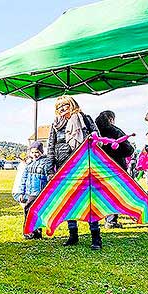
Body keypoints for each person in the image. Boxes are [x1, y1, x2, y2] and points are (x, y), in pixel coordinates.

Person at [47, 95, 103, 250]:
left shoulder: (84, 118)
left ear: (72, 104)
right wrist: (50, 168)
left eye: (65, 105)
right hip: (64, 166)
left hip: (84, 164)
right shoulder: (56, 125)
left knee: (89, 201)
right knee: (69, 201)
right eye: (59, 107)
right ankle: (73, 234)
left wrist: (92, 139)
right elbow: (50, 147)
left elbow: (98, 138)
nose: (62, 108)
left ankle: (96, 237)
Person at [95, 110, 134, 229]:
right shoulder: (115, 131)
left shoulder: (95, 130)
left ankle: (103, 217)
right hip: (116, 166)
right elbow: (128, 149)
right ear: (111, 119)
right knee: (114, 193)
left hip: (99, 166)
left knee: (103, 193)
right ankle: (111, 220)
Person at [17, 141, 53, 239]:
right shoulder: (28, 164)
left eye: (37, 152)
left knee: (37, 212)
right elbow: (23, 179)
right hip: (29, 192)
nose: (34, 154)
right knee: (28, 211)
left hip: (39, 192)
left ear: (41, 152)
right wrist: (21, 192)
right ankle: (29, 231)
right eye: (32, 152)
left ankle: (36, 232)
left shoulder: (46, 163)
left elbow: (49, 177)